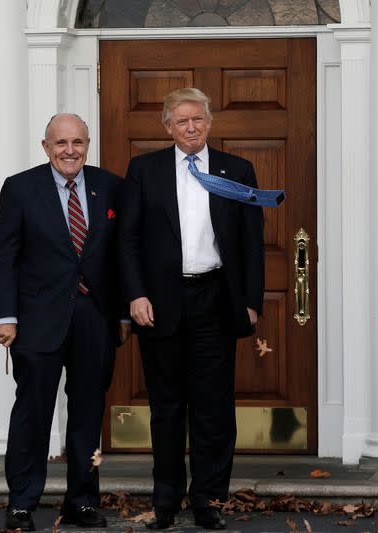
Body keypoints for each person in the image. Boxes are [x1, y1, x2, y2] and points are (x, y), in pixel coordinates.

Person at [118, 88, 265, 530]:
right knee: (166, 406)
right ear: (167, 126)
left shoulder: (237, 170)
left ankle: (208, 500)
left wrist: (251, 302)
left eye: (197, 119)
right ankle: (166, 499)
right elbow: (128, 240)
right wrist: (136, 294)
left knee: (213, 406)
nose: (190, 127)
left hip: (215, 298)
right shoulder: (144, 170)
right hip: (160, 304)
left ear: (209, 122)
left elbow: (251, 243)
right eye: (180, 121)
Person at [0, 113, 131, 531]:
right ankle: (21, 504)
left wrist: (122, 313)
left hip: (95, 318)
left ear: (88, 144)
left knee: (88, 414)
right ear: (45, 146)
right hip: (37, 320)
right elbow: (3, 256)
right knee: (33, 413)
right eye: (61, 143)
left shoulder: (110, 187)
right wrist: (5, 316)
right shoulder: (20, 188)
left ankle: (82, 501)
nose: (70, 150)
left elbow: (120, 257)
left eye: (78, 143)